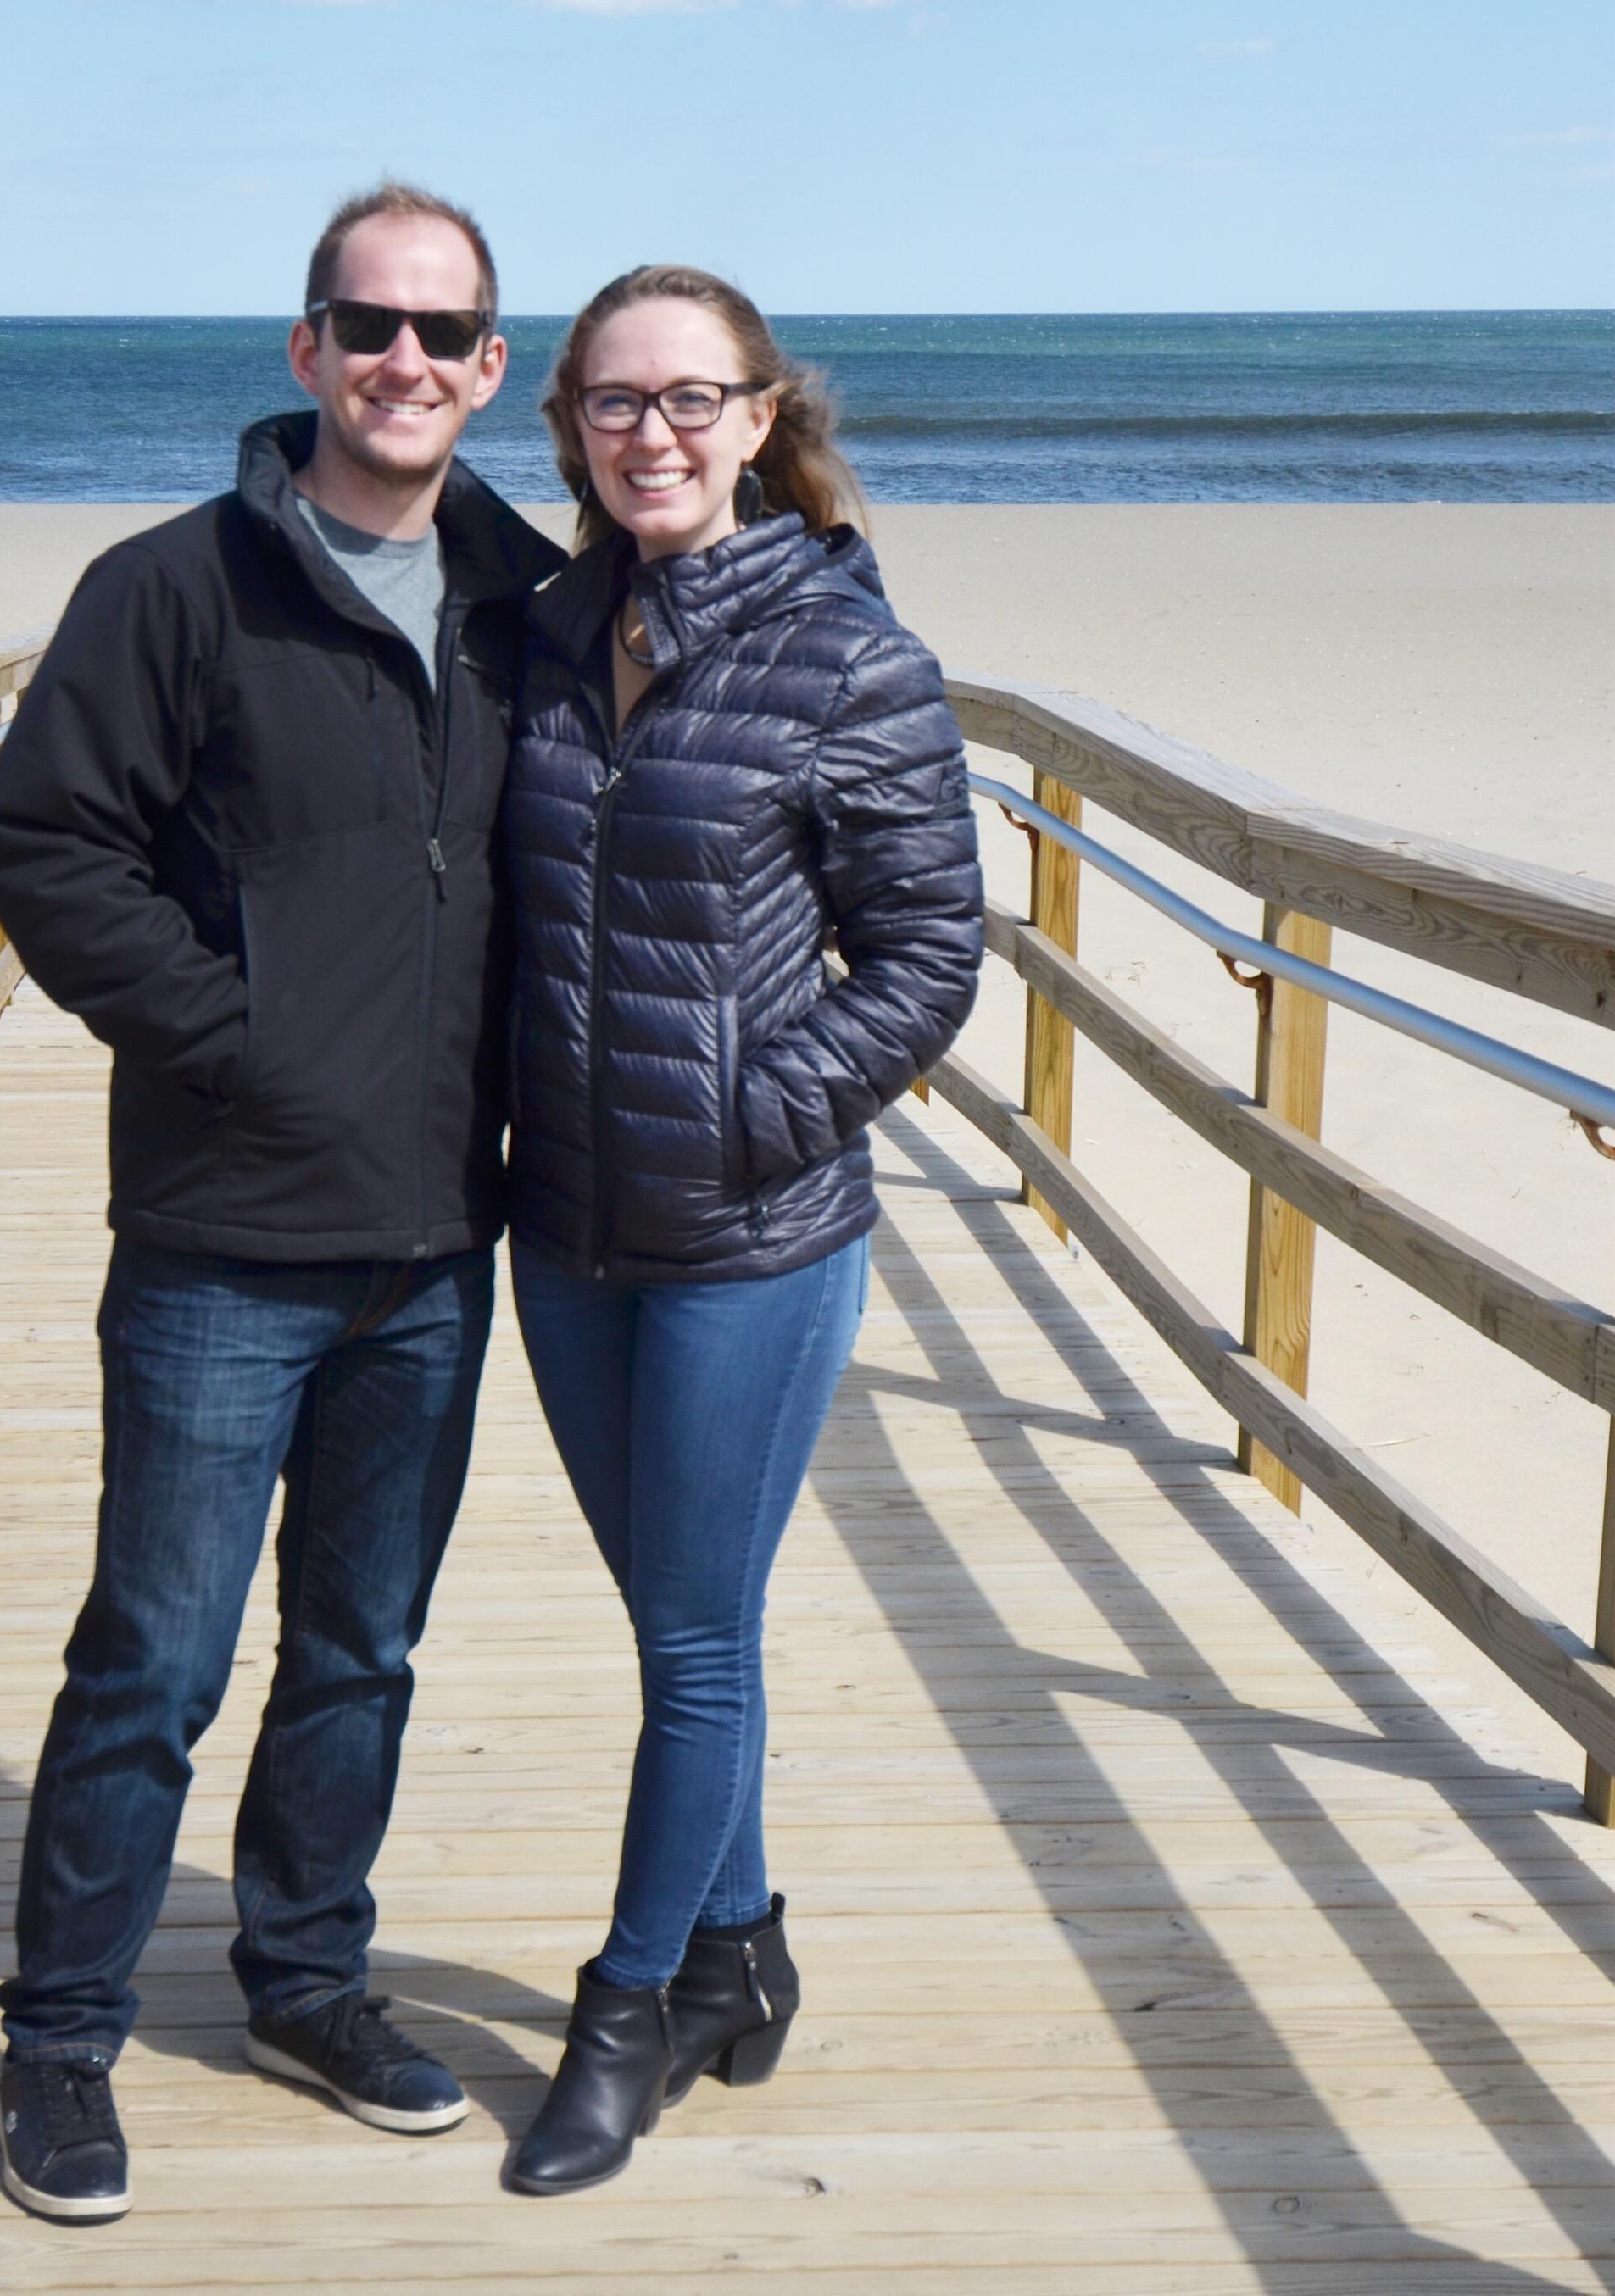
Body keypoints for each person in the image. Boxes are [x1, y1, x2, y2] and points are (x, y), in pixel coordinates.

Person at [0, 181, 565, 2224]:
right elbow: (50, 848)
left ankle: (307, 1977)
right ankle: (59, 2035)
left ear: (491, 369)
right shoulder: (172, 588)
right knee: (156, 1648)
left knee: (359, 1648)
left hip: (434, 1241)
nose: (407, 361)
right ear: (304, 349)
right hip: (225, 1229)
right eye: (368, 324)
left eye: (447, 333)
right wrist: (233, 1033)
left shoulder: (527, 600)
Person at [498, 266, 984, 2196]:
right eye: (615, 402)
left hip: (753, 1239)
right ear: (569, 424)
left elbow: (929, 953)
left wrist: (743, 1114)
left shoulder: (847, 654)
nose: (654, 432)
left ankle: (626, 2013)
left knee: (692, 1641)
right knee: (681, 1620)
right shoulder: (535, 634)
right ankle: (742, 1939)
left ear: (762, 414)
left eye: (692, 397)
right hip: (563, 1235)